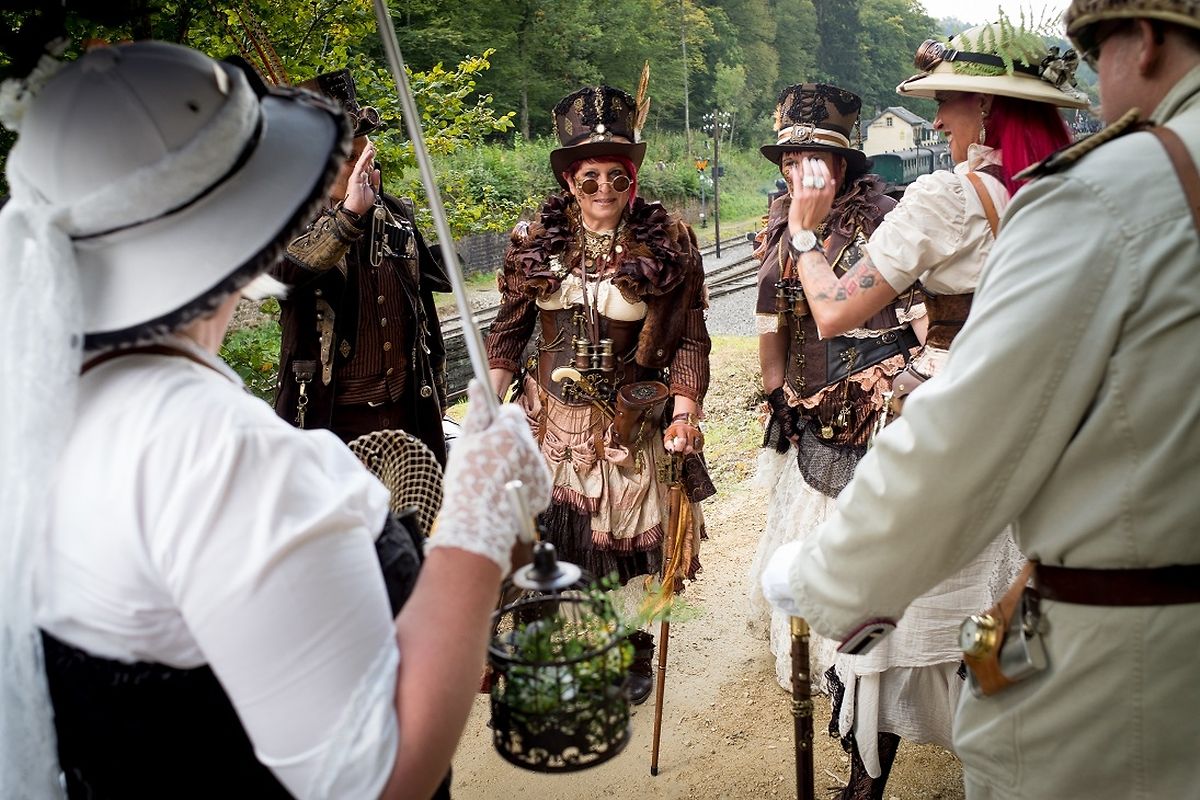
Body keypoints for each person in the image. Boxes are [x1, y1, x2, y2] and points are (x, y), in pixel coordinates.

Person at [0, 41, 551, 799]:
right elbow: (380, 780)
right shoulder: (219, 455)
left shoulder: (44, 404)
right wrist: (481, 514)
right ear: (238, 225)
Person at [763, 0, 1200, 796]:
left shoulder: (1056, 195)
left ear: (1146, 39)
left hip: (1125, 620)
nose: (941, 122)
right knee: (989, 612)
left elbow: (839, 322)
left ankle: (870, 770)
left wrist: (801, 236)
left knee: (906, 629)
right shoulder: (1052, 185)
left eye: (947, 103)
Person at [485, 83, 713, 703]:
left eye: (617, 176)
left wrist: (685, 411)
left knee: (623, 543)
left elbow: (690, 337)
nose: (605, 190)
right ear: (569, 183)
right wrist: (489, 401)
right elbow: (508, 331)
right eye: (590, 180)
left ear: (632, 177)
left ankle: (630, 649)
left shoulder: (667, 242)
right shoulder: (535, 241)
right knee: (546, 534)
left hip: (626, 417)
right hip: (549, 416)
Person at [745, 83, 920, 697]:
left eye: (812, 160)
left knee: (859, 537)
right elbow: (771, 314)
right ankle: (818, 647)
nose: (799, 172)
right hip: (807, 404)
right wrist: (776, 393)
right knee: (802, 531)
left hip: (871, 409)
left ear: (843, 164)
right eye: (790, 162)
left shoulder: (886, 220)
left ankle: (864, 659)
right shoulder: (778, 220)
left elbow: (907, 323)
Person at [272, 69, 451, 463]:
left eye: (366, 154)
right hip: (330, 421)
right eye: (348, 157)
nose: (361, 167)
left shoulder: (398, 212)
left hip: (407, 412)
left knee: (413, 521)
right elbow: (282, 277)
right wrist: (348, 216)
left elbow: (424, 301)